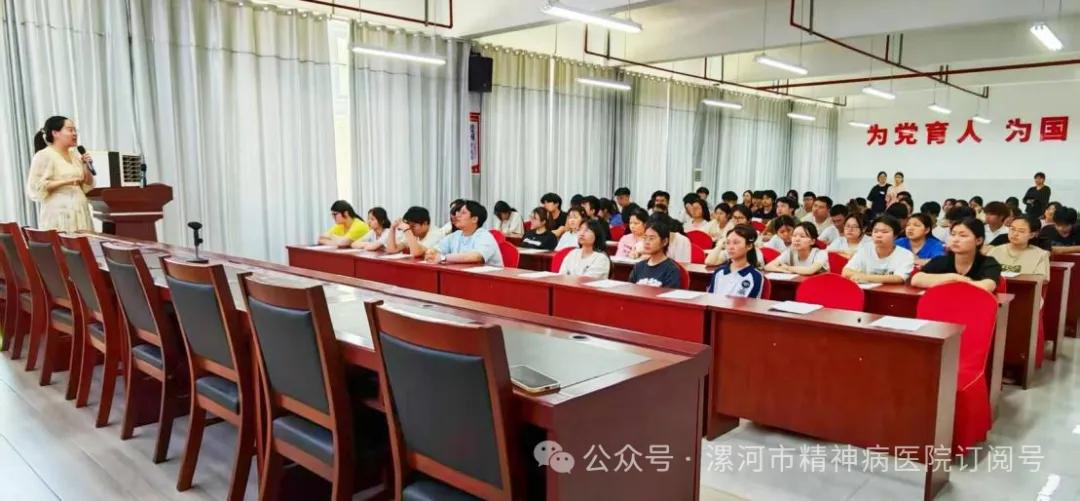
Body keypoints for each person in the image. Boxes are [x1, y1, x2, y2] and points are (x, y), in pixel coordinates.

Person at [25, 116, 96, 231]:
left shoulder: (74, 155)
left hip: (80, 211)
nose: (74, 134)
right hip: (59, 214)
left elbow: (86, 186)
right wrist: (66, 181)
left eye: (75, 130)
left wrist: (85, 166)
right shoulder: (44, 155)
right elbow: (36, 187)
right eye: (70, 130)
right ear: (55, 133)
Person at [912, 218, 1001, 292]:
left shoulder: (988, 263)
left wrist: (945, 282)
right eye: (953, 234)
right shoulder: (941, 260)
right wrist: (955, 277)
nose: (955, 239)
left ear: (979, 240)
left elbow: (987, 286)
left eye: (963, 236)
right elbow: (916, 279)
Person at [425, 201, 503, 266]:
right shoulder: (455, 235)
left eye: (463, 213)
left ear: (474, 219)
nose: (457, 215)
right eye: (458, 212)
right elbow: (437, 248)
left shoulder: (485, 236)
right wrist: (431, 252)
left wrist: (443, 258)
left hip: (490, 278)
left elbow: (476, 256)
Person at [842, 215, 914, 284]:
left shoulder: (905, 255)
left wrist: (865, 277)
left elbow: (899, 278)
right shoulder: (865, 249)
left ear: (895, 235)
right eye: (875, 231)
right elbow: (846, 272)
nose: (878, 235)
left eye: (884, 232)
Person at [707, 225, 766, 298]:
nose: (730, 247)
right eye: (728, 243)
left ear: (749, 246)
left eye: (736, 243)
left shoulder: (755, 276)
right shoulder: (719, 272)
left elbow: (750, 304)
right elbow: (710, 299)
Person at [987, 215, 1050, 280]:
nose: (1015, 234)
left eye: (1021, 231)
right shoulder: (995, 251)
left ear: (1031, 235)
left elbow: (1042, 281)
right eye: (1012, 229)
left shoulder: (1041, 255)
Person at [628, 219, 683, 288]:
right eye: (645, 238)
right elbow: (630, 290)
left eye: (651, 238)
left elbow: (669, 294)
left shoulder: (671, 269)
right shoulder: (638, 267)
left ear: (664, 242)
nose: (647, 242)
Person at [764, 222, 828, 275]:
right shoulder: (790, 252)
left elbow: (810, 270)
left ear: (812, 241)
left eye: (802, 236)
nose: (797, 239)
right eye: (794, 235)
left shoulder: (820, 254)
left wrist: (788, 267)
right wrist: (784, 270)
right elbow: (768, 266)